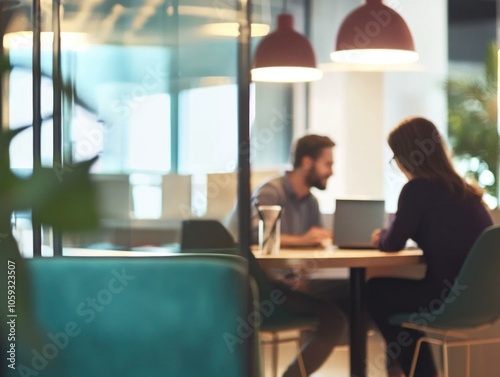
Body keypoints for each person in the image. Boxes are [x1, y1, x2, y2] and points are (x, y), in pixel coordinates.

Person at [366, 117, 493, 377]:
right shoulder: (468, 192)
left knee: (373, 290)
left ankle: (420, 373)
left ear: (405, 156)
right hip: (486, 301)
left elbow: (392, 244)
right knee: (402, 305)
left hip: (445, 298)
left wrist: (379, 237)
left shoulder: (416, 189)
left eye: (395, 157)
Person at [250, 134, 335, 247]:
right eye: (327, 164)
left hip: (295, 264)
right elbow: (256, 236)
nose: (331, 172)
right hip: (261, 264)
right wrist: (301, 241)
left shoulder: (311, 202)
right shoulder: (270, 192)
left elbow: (316, 242)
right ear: (307, 163)